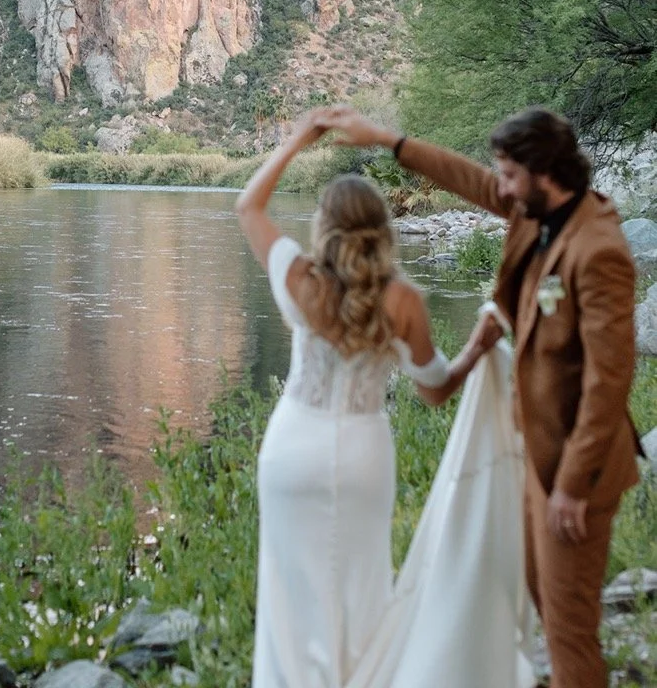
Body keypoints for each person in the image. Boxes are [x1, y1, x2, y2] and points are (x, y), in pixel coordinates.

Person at [326, 103, 641, 688]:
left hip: (577, 471)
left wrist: (571, 487)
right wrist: (391, 141)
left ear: (544, 170)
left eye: (509, 174)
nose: (498, 187)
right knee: (544, 603)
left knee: (569, 628)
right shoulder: (537, 208)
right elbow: (468, 179)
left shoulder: (598, 252)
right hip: (537, 452)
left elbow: (609, 380)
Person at [235, 109, 498, 688]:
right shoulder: (403, 299)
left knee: (289, 593)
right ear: (382, 226)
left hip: (292, 449)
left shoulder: (302, 280)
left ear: (324, 226)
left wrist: (300, 139)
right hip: (361, 454)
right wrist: (476, 349)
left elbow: (248, 205)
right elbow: (434, 391)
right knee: (360, 587)